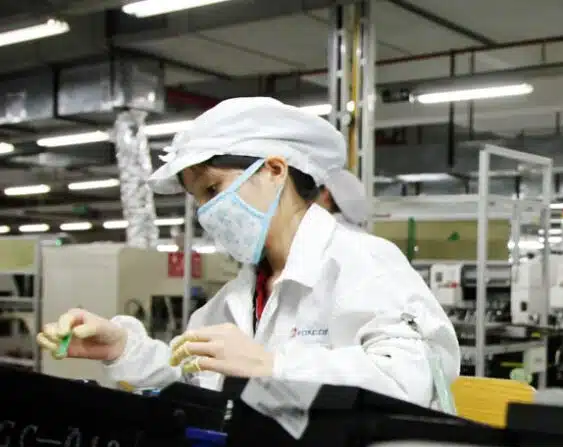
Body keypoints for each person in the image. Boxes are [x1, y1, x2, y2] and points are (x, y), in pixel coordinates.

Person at [37, 97, 460, 411]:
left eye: (213, 189)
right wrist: (122, 349)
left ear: (274, 171)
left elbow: (412, 381)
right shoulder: (237, 298)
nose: (206, 212)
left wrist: (274, 366)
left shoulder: (363, 262)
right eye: (198, 199)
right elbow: (193, 378)